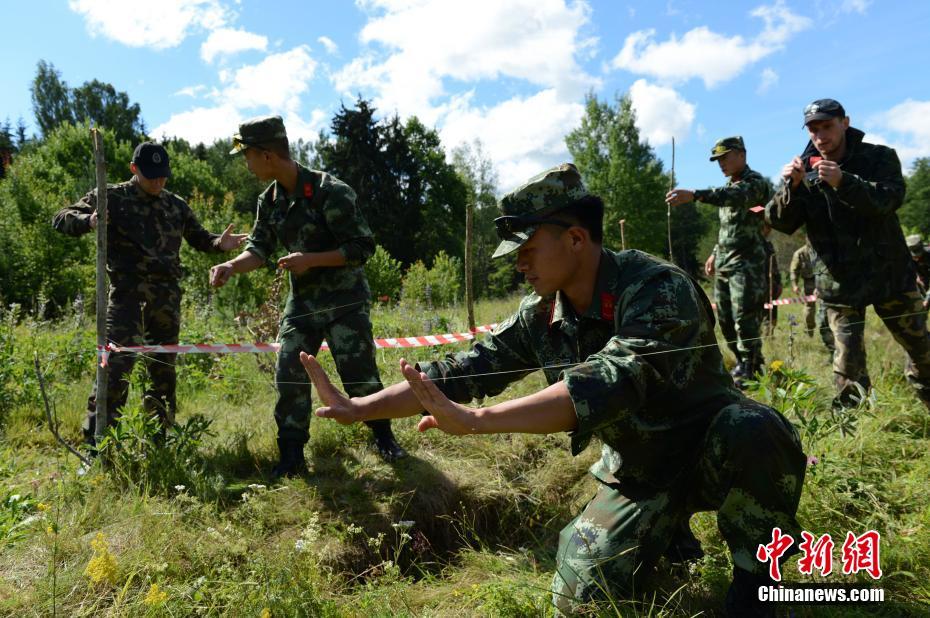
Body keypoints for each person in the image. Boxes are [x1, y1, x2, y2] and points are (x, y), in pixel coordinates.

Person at [301, 164, 806, 616]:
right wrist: (360, 408)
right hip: (639, 471)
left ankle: (755, 579)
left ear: (577, 239)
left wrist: (478, 422)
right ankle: (668, 535)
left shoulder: (657, 288)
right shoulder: (541, 311)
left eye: (527, 250)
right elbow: (461, 370)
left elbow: (609, 382)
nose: (519, 264)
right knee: (580, 598)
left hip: (711, 453)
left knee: (753, 428)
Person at [209, 115, 405, 477]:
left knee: (359, 373)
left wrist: (310, 260)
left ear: (267, 155)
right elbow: (259, 249)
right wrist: (232, 267)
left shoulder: (331, 191)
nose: (246, 164)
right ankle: (292, 457)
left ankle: (384, 438)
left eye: (247, 156)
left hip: (345, 301)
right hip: (302, 305)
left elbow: (362, 246)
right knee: (289, 373)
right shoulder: (268, 200)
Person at [52, 142, 247, 446]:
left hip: (166, 301)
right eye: (151, 176)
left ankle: (158, 441)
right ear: (134, 170)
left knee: (163, 372)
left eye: (163, 176)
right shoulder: (111, 196)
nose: (159, 181)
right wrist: (89, 221)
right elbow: (61, 218)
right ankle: (98, 445)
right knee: (114, 370)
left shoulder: (176, 205)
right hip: (127, 300)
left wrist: (220, 245)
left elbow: (200, 238)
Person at [767, 98, 930, 409]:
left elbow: (889, 199)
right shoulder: (804, 173)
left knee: (922, 350)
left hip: (890, 277)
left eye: (827, 126)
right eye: (813, 129)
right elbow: (779, 222)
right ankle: (852, 440)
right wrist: (792, 187)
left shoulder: (878, 158)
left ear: (845, 122)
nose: (820, 135)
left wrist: (845, 182)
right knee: (846, 370)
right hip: (839, 287)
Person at [667, 136, 773, 386]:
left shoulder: (754, 184)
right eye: (717, 160)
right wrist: (715, 252)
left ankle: (752, 366)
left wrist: (694, 195)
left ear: (741, 155)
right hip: (725, 262)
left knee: (744, 317)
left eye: (724, 157)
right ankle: (740, 362)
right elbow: (728, 227)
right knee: (724, 319)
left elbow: (735, 197)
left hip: (746, 263)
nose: (720, 164)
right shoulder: (728, 188)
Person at [790, 241, 836, 355]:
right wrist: (795, 285)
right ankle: (809, 330)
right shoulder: (800, 253)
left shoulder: (822, 249)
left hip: (824, 282)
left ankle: (830, 333)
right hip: (809, 283)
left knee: (825, 308)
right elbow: (793, 270)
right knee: (809, 308)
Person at [905, 234, 930, 309]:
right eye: (914, 255)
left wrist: (927, 299)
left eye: (918, 254)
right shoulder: (906, 256)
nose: (917, 257)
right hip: (922, 279)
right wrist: (917, 276)